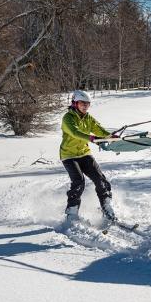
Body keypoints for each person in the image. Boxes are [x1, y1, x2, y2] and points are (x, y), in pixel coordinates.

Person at [60, 90, 116, 222]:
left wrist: (111, 137)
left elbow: (100, 130)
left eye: (87, 104)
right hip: (69, 155)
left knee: (100, 179)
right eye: (82, 103)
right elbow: (75, 132)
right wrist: (91, 138)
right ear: (75, 103)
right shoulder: (68, 118)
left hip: (84, 153)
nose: (85, 106)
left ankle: (106, 207)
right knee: (79, 181)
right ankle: (72, 212)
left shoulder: (88, 118)